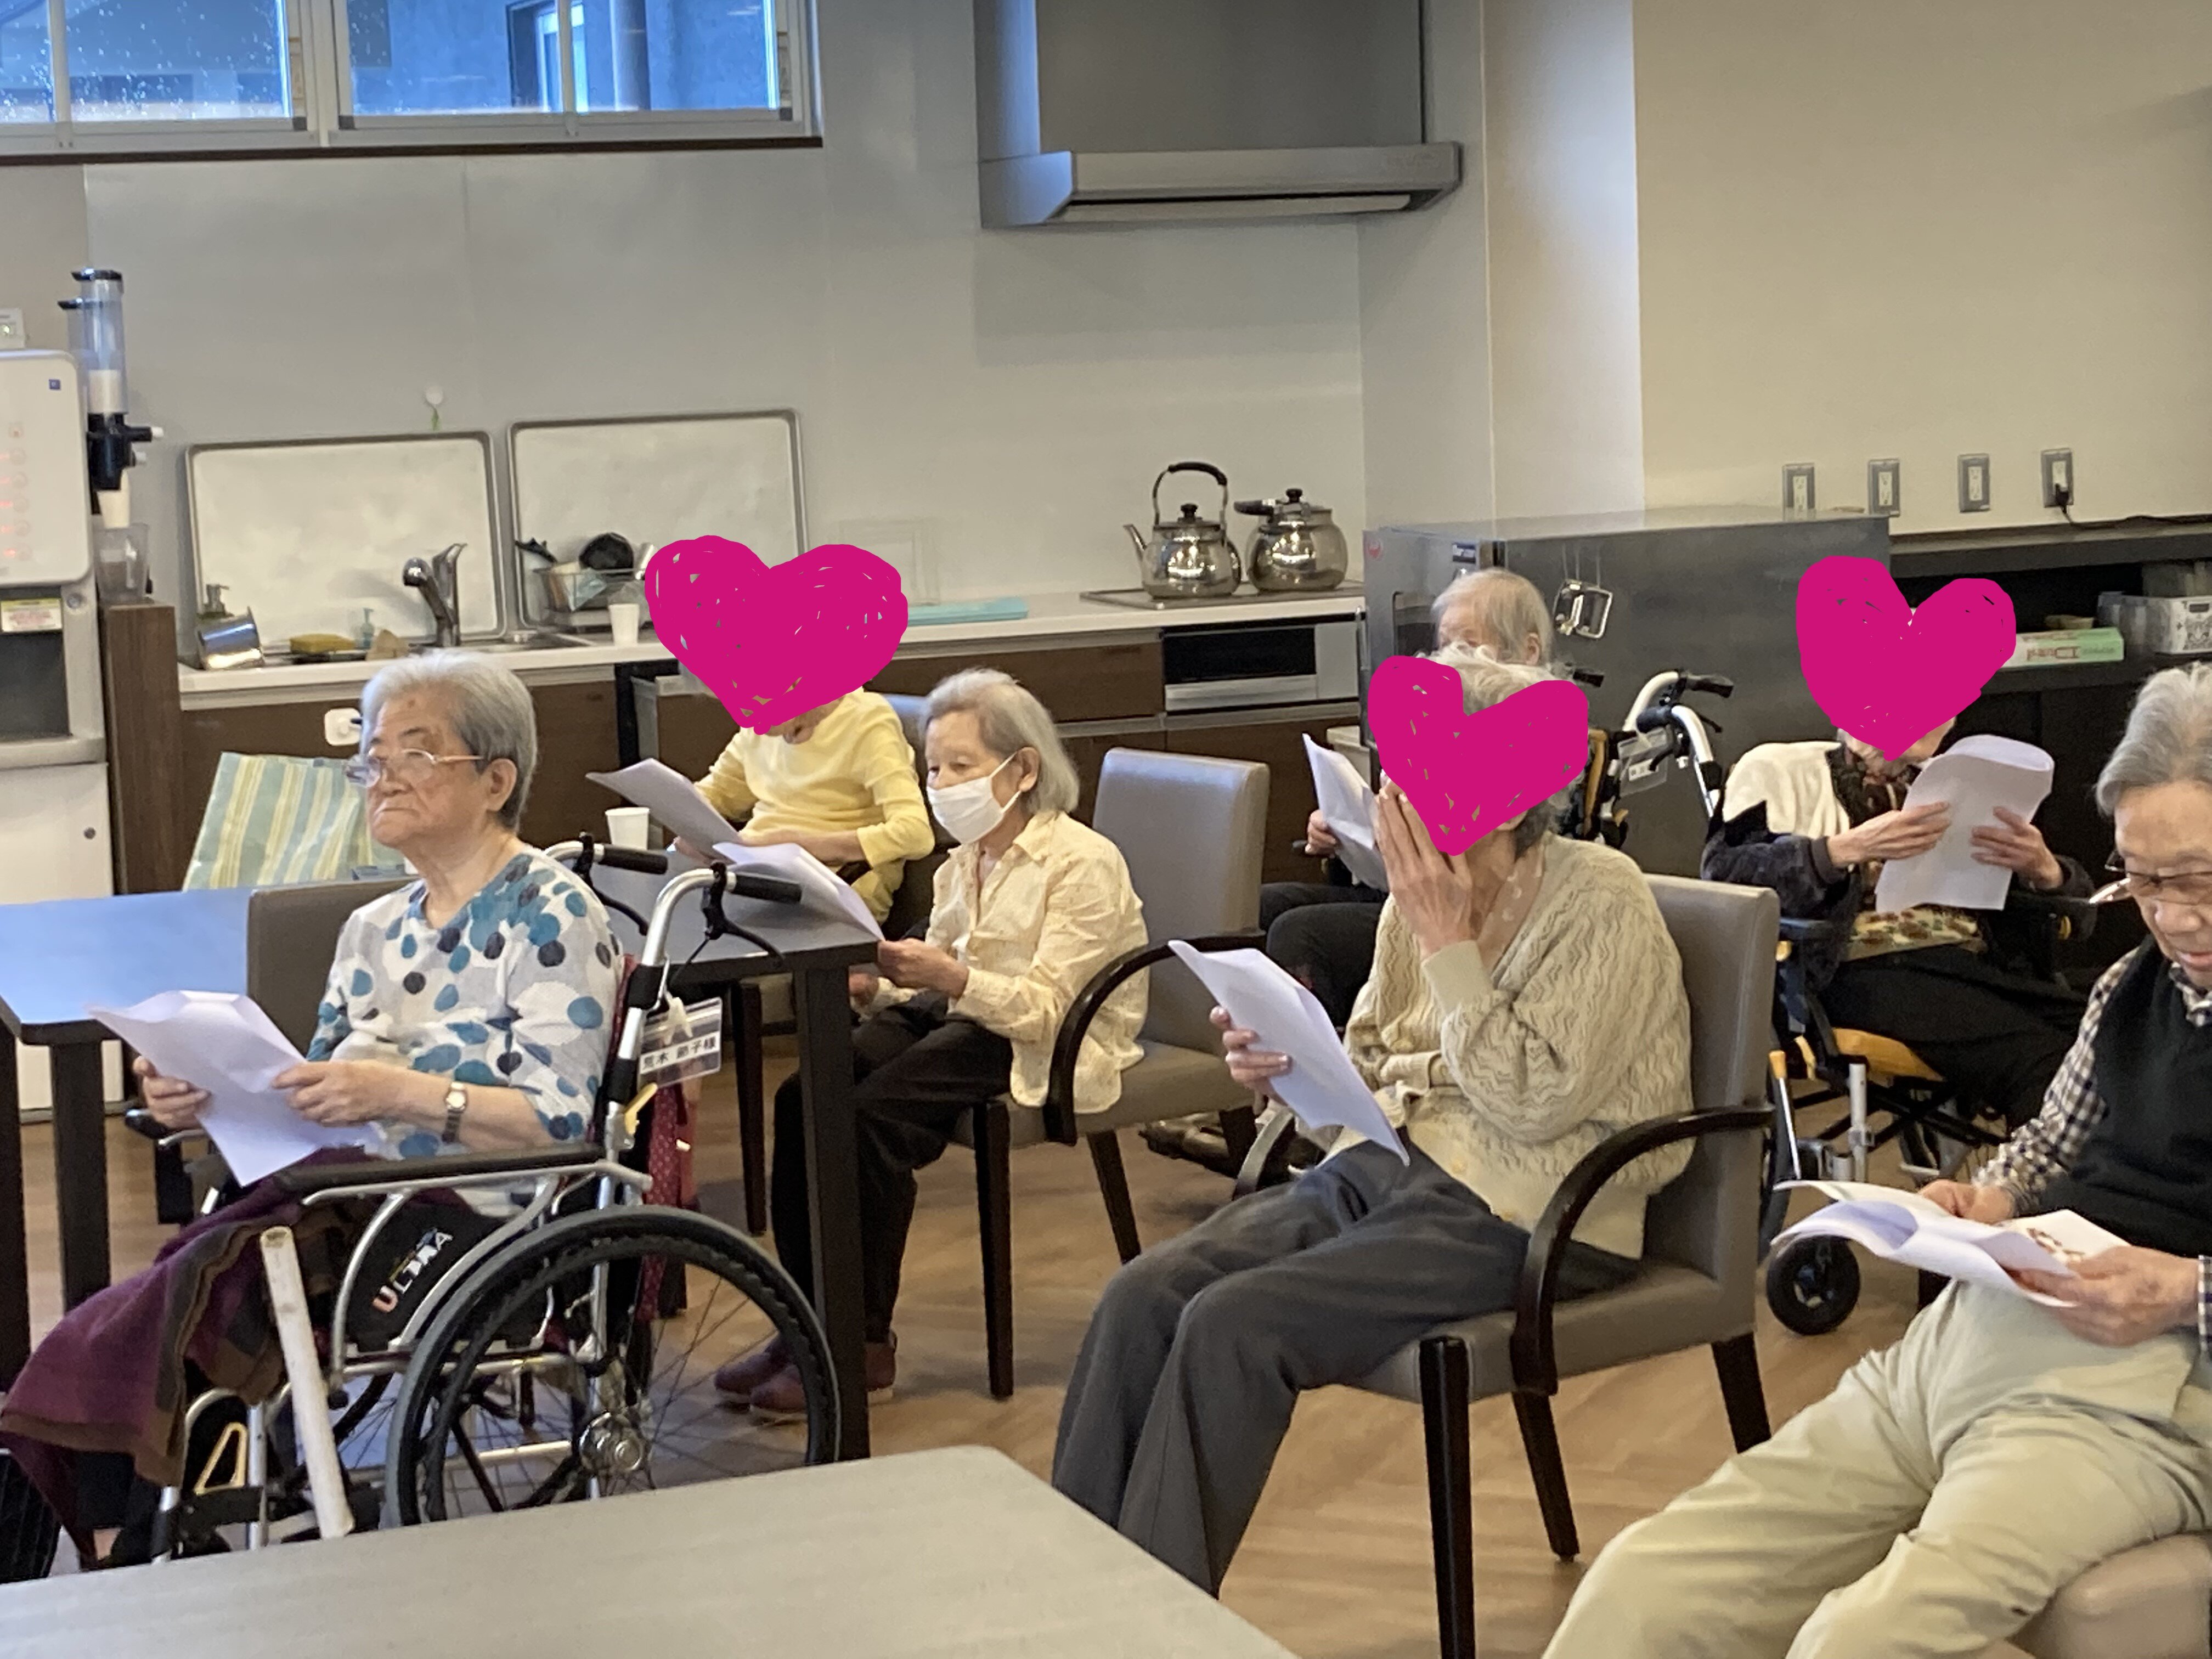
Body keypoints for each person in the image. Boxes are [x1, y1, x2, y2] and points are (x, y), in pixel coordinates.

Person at [1545, 662, 2212, 1659]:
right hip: (1974, 1336)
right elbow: (2047, 1147)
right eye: (2141, 879)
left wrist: (2184, 1291)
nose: (2168, 914)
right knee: (1646, 1586)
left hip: (2142, 1391)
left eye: (2193, 877)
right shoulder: (2131, 985)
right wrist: (1984, 1198)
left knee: (1858, 1639)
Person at [1051, 646, 1694, 1594]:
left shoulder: (1600, 900)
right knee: (1141, 1296)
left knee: (1234, 1326)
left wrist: (1448, 945)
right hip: (1388, 1169)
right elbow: (1372, 1061)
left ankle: (1154, 1624)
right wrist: (1288, 1073)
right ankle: (1065, 1601)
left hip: (1530, 1211)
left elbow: (1533, 1101)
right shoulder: (1412, 900)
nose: (1395, 797)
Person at [0, 651, 619, 1564]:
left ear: (497, 781)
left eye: (415, 753)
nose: (383, 776)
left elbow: (560, 1121)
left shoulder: (552, 912)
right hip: (344, 1199)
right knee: (156, 1307)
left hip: (478, 1216)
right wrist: (198, 1097)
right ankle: (126, 1521)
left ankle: (131, 1533)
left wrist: (397, 1091)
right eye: (373, 758)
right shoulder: (372, 929)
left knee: (186, 1300)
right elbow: (309, 1094)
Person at [715, 668, 1148, 1418]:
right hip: (961, 1011)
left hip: (1040, 1036)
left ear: (1023, 770)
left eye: (960, 767)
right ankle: (805, 1321)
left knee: (870, 1119)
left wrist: (947, 976)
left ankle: (859, 1344)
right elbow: (940, 964)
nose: (940, 784)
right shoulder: (965, 861)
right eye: (934, 768)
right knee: (804, 1095)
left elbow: (1047, 1008)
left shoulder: (1082, 863)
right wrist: (878, 981)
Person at [1705, 717, 2091, 1127]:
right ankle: (2048, 1166)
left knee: (2104, 1033)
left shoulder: (1956, 783)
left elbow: (2082, 915)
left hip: (1965, 962)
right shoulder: (1778, 771)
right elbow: (1725, 879)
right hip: (1850, 970)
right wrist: (1839, 851)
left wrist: (2047, 871)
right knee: (2038, 1060)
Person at [1265, 567, 1559, 1027]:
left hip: (1461, 905)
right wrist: (1344, 834)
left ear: (1529, 650)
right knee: (1268, 903)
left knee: (1299, 932)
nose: (1448, 660)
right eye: (1444, 645)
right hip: (1395, 890)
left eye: (1468, 645)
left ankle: (1303, 1044)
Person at [688, 691, 935, 923]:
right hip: (755, 871)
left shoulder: (866, 721)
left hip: (837, 885)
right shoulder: (757, 726)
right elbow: (718, 794)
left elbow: (915, 834)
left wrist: (796, 847)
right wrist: (687, 823)